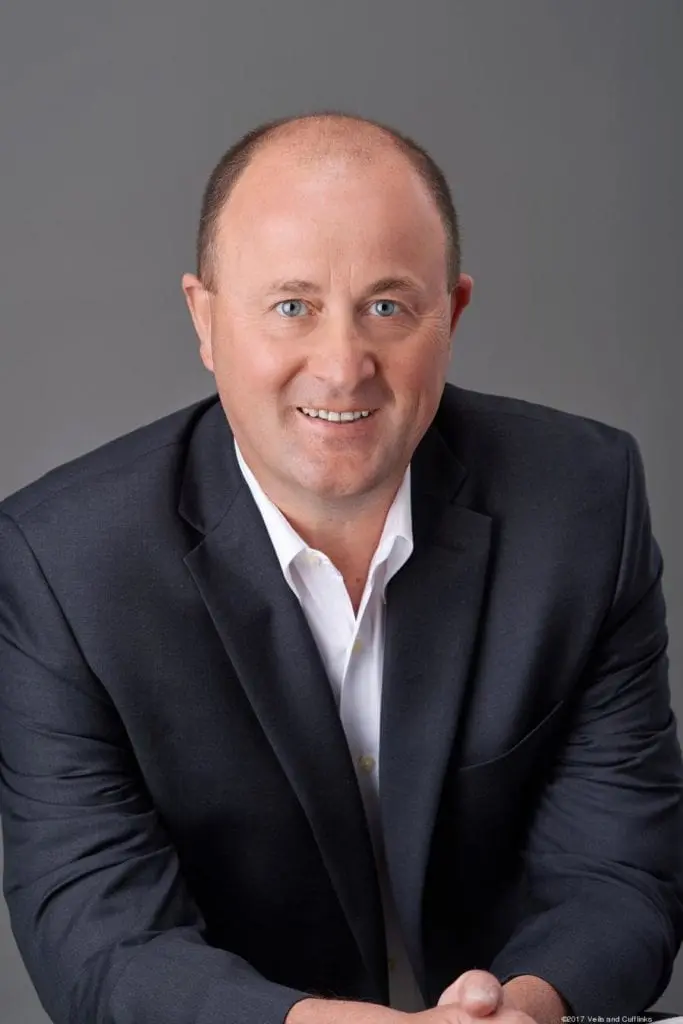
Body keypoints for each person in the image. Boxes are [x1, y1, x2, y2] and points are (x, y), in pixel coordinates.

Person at [0, 110, 682, 1024]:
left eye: (387, 306)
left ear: (452, 314)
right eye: (292, 306)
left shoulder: (582, 503)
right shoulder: (62, 564)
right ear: (205, 319)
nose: (342, 366)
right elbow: (98, 938)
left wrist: (522, 1010)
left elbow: (621, 871)